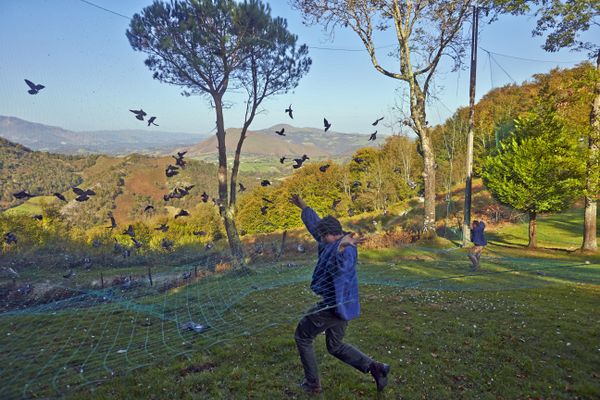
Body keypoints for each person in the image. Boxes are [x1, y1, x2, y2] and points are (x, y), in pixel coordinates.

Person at [290, 194, 390, 394]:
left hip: (335, 306)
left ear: (332, 234)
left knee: (302, 336)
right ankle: (376, 368)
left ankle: (312, 384)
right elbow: (315, 225)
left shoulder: (347, 249)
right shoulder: (329, 238)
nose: (320, 240)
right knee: (334, 346)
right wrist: (303, 206)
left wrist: (342, 249)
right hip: (344, 305)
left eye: (323, 236)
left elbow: (342, 269)